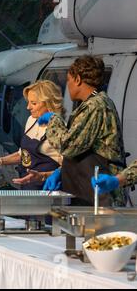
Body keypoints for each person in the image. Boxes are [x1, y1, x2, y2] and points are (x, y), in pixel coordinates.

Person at [41, 56, 126, 206]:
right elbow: (85, 148)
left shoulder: (95, 106)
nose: (68, 85)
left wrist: (54, 120)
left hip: (100, 196)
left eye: (68, 80)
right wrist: (60, 172)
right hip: (88, 193)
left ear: (78, 79)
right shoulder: (93, 104)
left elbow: (68, 146)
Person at [0, 80, 64, 189]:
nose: (28, 107)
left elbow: (68, 166)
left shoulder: (58, 129)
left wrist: (44, 176)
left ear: (49, 103)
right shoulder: (31, 120)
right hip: (28, 187)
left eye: (34, 103)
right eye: (28, 102)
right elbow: (23, 155)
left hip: (47, 190)